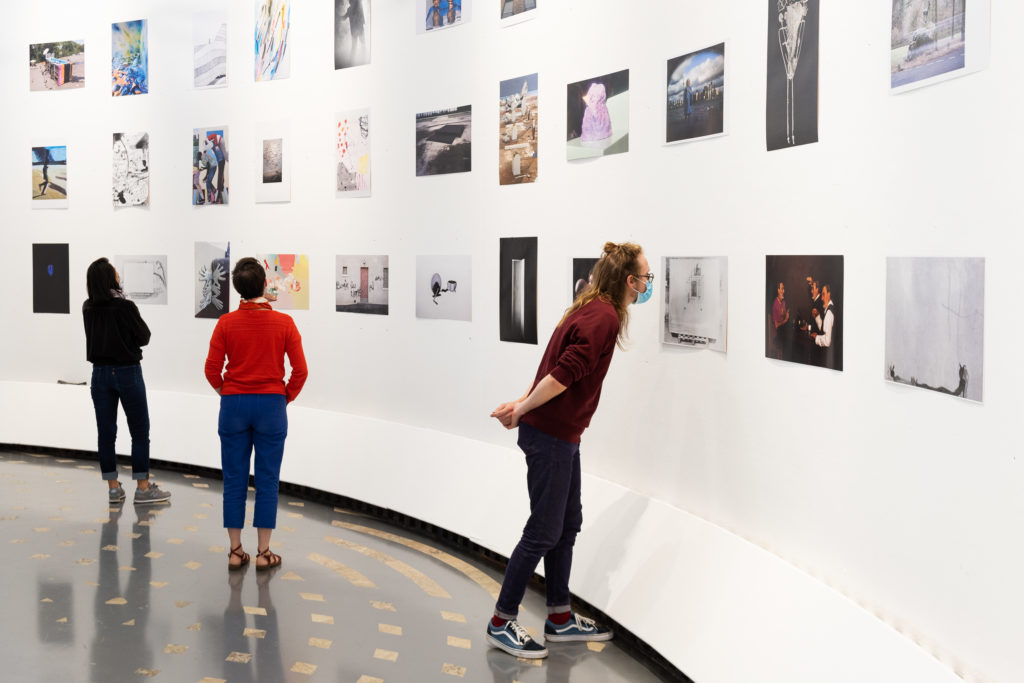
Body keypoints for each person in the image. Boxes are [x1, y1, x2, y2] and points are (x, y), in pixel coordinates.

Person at [485, 241, 652, 659]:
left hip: (562, 435)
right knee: (543, 530)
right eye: (645, 277)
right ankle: (501, 621)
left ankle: (559, 615)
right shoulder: (605, 317)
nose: (648, 284)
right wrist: (522, 408)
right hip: (552, 437)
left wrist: (520, 403)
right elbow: (561, 375)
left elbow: (551, 367)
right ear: (629, 281)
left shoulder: (588, 307)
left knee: (567, 523)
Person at [205, 257, 308, 571]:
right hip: (271, 406)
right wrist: (282, 397)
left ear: (238, 288)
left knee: (234, 479)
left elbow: (211, 370)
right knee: (267, 480)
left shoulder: (225, 323)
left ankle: (236, 551)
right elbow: (300, 371)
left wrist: (228, 391)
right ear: (264, 284)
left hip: (234, 405)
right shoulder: (285, 324)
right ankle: (264, 553)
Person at [83, 258, 171, 505]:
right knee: (140, 432)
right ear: (108, 277)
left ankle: (113, 488)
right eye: (114, 270)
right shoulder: (125, 307)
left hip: (99, 375)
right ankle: (143, 488)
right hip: (128, 372)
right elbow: (144, 337)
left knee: (106, 432)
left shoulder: (87, 307)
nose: (118, 273)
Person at [811, 283, 837, 369]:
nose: (822, 298)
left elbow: (827, 341)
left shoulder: (829, 313)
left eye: (823, 294)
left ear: (829, 294)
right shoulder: (830, 309)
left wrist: (816, 338)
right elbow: (825, 328)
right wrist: (817, 316)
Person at [770, 281, 789, 359]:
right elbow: (776, 325)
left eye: (783, 289)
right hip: (776, 335)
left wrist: (786, 314)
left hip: (783, 331)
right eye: (782, 289)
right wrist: (786, 319)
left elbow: (784, 316)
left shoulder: (783, 302)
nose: (783, 291)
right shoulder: (775, 304)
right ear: (778, 290)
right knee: (788, 341)